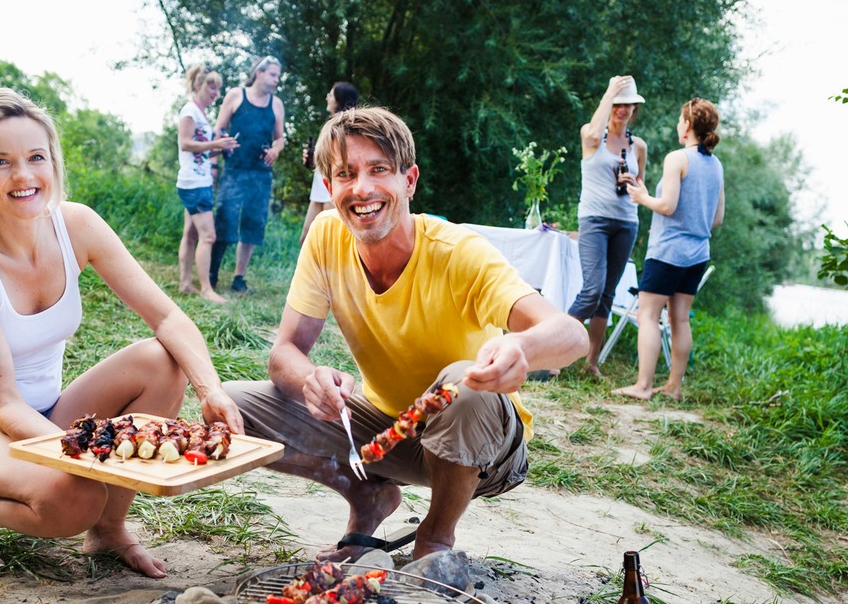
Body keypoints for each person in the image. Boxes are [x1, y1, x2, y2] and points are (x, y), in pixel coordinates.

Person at [223, 107, 589, 561]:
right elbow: (285, 352)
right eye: (345, 174)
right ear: (330, 185)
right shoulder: (325, 236)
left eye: (379, 169)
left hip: (485, 452)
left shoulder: (458, 252)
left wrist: (521, 346)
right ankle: (367, 498)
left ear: (409, 180)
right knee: (230, 411)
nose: (362, 189)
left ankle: (435, 537)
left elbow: (572, 335)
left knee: (463, 383)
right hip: (390, 433)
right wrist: (309, 379)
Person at [0, 87, 243, 578]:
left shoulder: (77, 225)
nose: (23, 176)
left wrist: (210, 389)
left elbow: (168, 318)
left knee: (163, 360)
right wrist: (94, 452)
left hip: (41, 412)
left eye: (35, 157)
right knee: (77, 496)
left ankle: (108, 530)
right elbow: (2, 405)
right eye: (0, 162)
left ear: (53, 162)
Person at [613, 98, 725, 402]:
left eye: (680, 120)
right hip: (698, 254)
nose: (678, 125)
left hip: (668, 253)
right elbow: (717, 219)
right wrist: (654, 199)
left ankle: (643, 386)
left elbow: (668, 206)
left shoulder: (677, 158)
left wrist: (641, 198)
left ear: (688, 125)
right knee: (680, 320)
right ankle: (674, 387)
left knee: (648, 316)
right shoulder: (716, 165)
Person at [568, 75, 648, 377]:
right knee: (592, 289)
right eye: (618, 104)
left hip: (627, 222)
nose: (622, 110)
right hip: (594, 220)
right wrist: (610, 91)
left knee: (607, 295)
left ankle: (591, 362)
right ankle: (550, 353)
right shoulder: (592, 136)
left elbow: (643, 187)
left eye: (628, 105)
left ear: (634, 110)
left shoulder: (638, 146)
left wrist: (635, 186)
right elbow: (591, 135)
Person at [209, 55, 287, 295]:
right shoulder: (236, 95)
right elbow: (219, 128)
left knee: (253, 224)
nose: (277, 80)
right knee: (225, 217)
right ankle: (212, 272)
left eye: (278, 76)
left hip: (260, 174)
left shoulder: (276, 104)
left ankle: (238, 277)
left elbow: (280, 137)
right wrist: (216, 156)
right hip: (235, 170)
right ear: (260, 73)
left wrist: (275, 149)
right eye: (273, 75)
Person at [176, 64, 238, 302]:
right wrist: (215, 145)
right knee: (208, 236)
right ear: (199, 85)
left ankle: (185, 284)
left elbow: (201, 151)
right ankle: (206, 289)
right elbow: (185, 143)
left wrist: (222, 147)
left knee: (190, 234)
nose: (216, 93)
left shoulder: (200, 114)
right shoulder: (189, 111)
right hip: (194, 183)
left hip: (197, 180)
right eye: (212, 87)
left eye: (218, 88)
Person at [299, 81, 359, 244]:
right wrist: (312, 162)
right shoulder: (329, 125)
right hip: (319, 186)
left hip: (333, 188)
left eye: (331, 94)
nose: (327, 97)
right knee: (306, 239)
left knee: (326, 242)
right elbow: (324, 160)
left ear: (339, 100)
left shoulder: (347, 126)